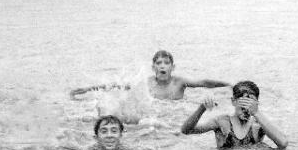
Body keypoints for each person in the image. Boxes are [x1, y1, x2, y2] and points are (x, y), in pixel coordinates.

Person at [70, 50, 227, 101]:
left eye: (166, 63)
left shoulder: (180, 82)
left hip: (177, 113)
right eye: (159, 63)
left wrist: (229, 85)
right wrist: (86, 89)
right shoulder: (146, 83)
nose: (162, 66)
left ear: (173, 67)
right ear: (153, 68)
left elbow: (204, 82)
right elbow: (117, 85)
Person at [178, 80, 288, 150]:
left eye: (250, 105)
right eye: (243, 103)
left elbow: (283, 144)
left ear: (256, 104)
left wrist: (256, 113)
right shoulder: (222, 122)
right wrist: (201, 109)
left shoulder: (259, 125)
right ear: (233, 101)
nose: (246, 109)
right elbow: (186, 131)